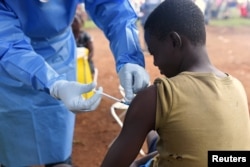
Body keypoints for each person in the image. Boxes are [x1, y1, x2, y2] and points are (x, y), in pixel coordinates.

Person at [100, 0, 250, 167]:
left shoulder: (158, 96)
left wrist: (136, 164)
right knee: (154, 136)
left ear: (174, 40)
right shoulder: (236, 86)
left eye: (155, 52)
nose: (156, 63)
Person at [0, 0, 149, 166]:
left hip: (59, 55)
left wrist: (129, 55)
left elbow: (112, 6)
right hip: (11, 70)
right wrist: (54, 84)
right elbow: (8, 45)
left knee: (56, 139)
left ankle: (60, 159)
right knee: (14, 144)